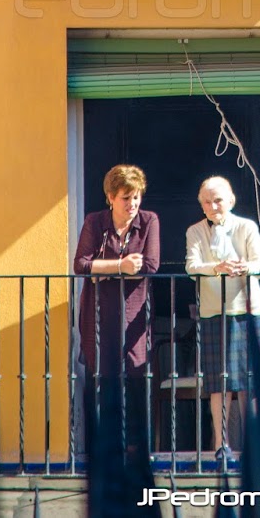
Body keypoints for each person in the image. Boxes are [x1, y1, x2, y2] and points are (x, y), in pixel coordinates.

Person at [73, 164, 161, 458]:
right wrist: (121, 266)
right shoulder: (95, 222)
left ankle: (137, 447)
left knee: (137, 375)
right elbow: (81, 265)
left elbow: (150, 265)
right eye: (126, 198)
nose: (132, 204)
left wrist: (103, 270)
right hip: (98, 311)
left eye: (136, 197)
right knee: (103, 376)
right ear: (110, 197)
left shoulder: (149, 221)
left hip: (134, 312)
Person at [184, 175, 260, 461]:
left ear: (231, 200)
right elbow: (192, 266)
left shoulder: (246, 227)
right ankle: (222, 446)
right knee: (218, 383)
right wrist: (218, 268)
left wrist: (245, 267)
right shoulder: (195, 231)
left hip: (248, 311)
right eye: (207, 202)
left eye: (218, 200)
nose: (213, 206)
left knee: (250, 382)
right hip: (213, 313)